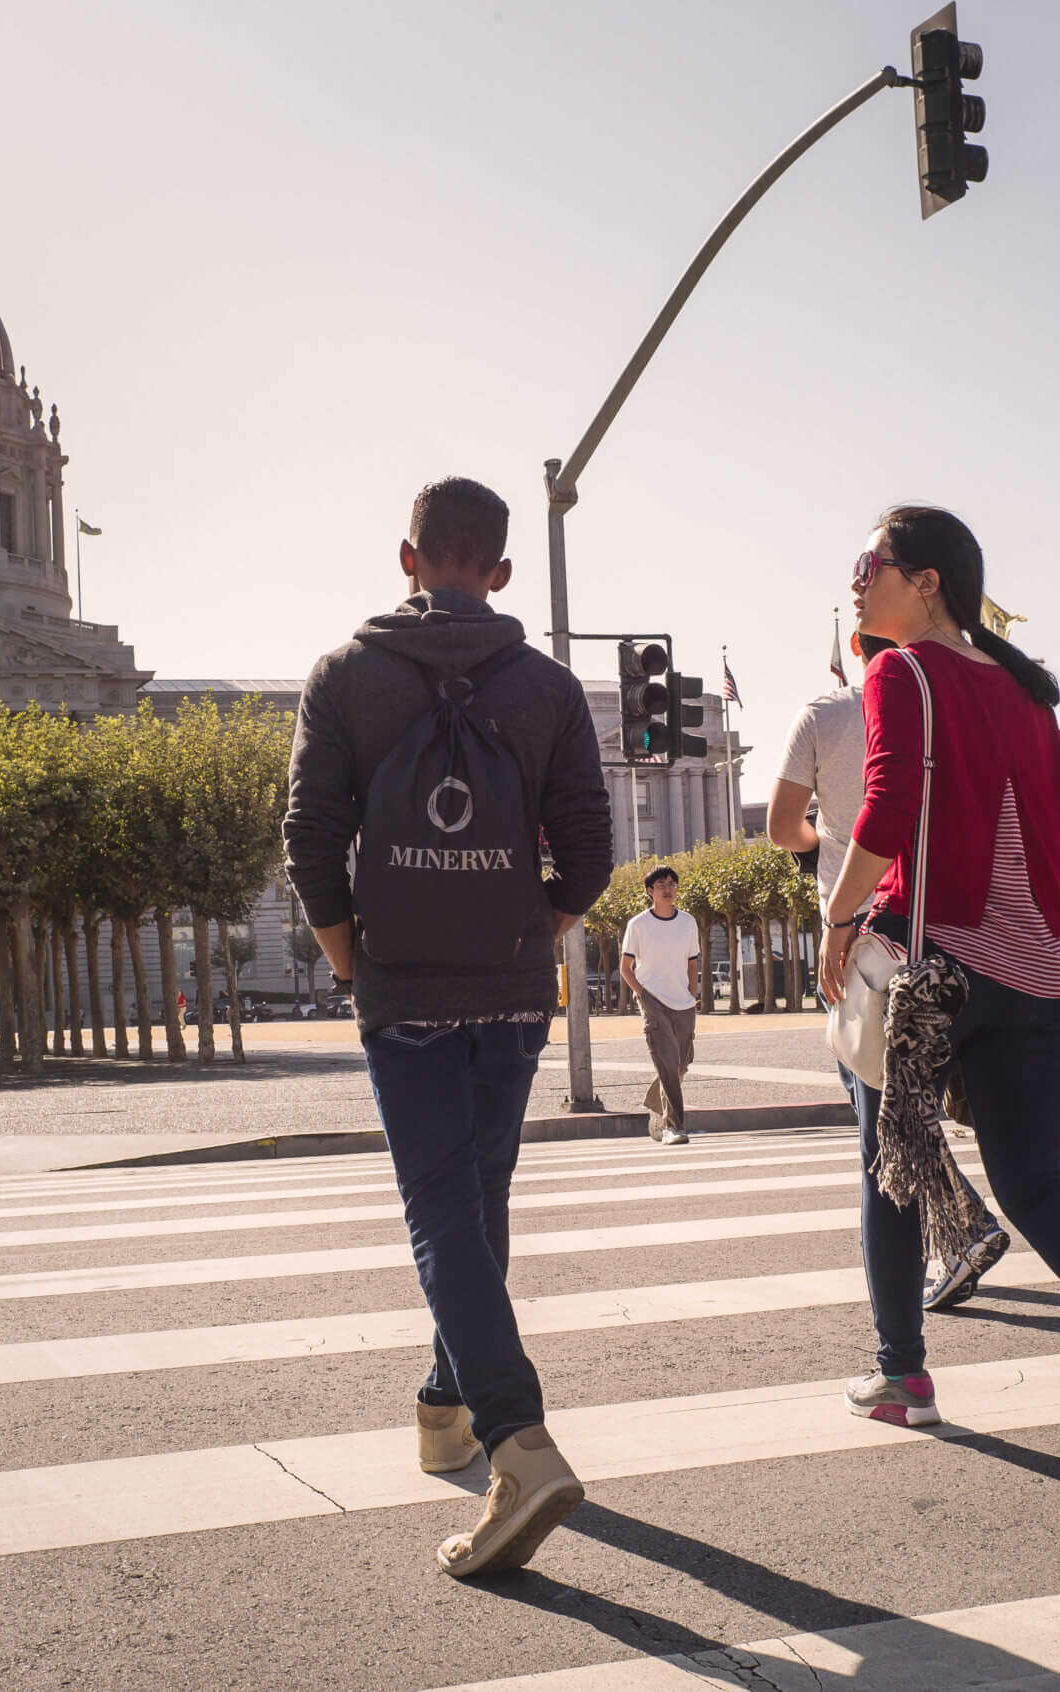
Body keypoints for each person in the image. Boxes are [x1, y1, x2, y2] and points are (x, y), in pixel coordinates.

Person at [817, 506, 1060, 1477]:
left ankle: (901, 1373)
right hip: (1039, 973)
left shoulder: (897, 671)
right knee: (1036, 1182)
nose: (858, 581)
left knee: (891, 1154)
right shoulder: (1031, 696)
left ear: (929, 580)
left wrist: (836, 916)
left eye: (873, 564)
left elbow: (889, 802)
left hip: (934, 963)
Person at [284, 475, 614, 1574]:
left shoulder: (344, 675)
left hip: (403, 983)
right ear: (503, 570)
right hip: (513, 983)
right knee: (478, 1199)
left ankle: (517, 1436)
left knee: (440, 1208)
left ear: (408, 557)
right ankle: (444, 1401)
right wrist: (532, 926)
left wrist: (355, 966)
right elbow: (589, 850)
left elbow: (310, 840)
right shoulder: (549, 687)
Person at [770, 628, 1011, 1310]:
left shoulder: (825, 714)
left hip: (863, 938)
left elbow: (783, 827)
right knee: (899, 1097)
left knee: (876, 1104)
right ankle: (965, 1224)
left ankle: (957, 1240)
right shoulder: (959, 705)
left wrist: (828, 842)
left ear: (856, 641)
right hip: (958, 925)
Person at [620, 867, 701, 1145]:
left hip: (684, 1002)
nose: (668, 888)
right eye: (660, 884)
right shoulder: (638, 924)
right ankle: (673, 1126)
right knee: (666, 1063)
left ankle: (656, 1104)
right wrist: (642, 995)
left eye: (671, 884)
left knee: (681, 1064)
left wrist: (692, 994)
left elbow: (693, 963)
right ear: (650, 891)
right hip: (653, 999)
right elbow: (625, 967)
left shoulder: (688, 922)